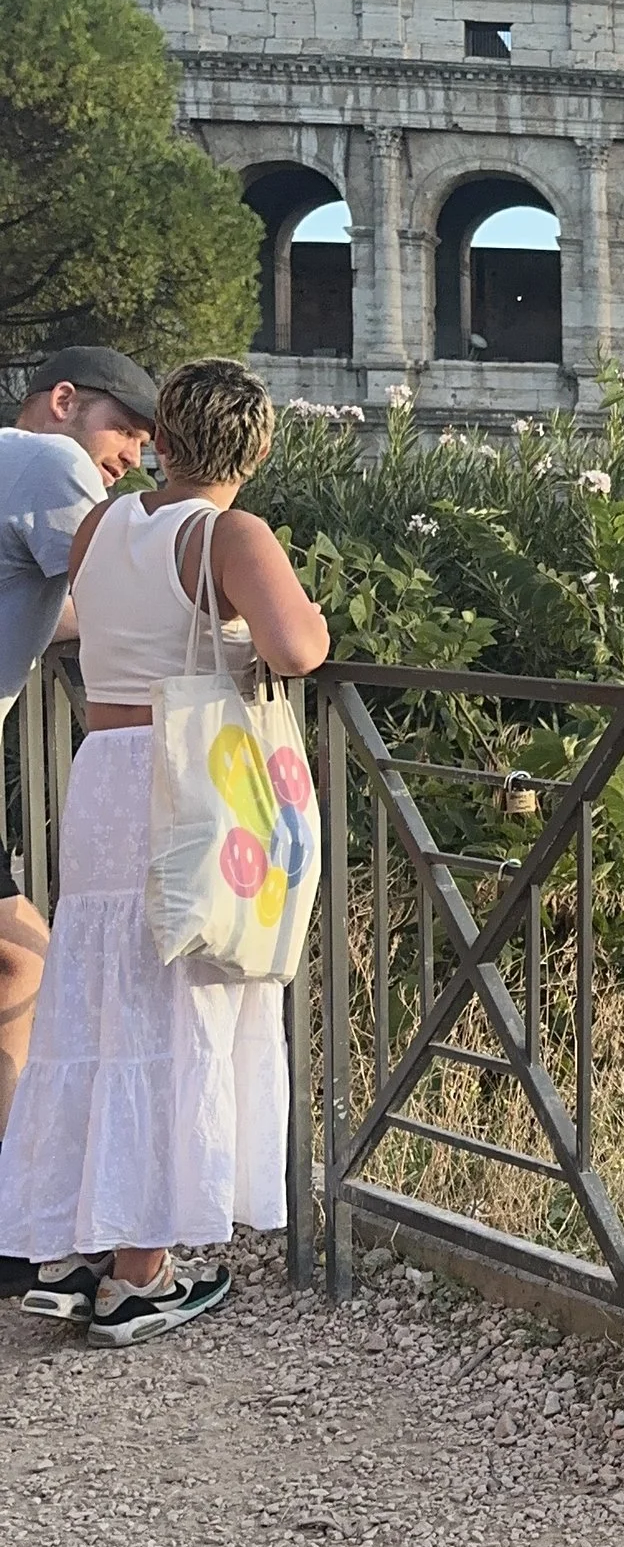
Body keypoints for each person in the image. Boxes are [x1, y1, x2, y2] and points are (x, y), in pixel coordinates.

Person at [1, 362, 328, 1345]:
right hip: (183, 777)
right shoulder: (231, 533)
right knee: (172, 1001)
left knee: (95, 998)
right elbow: (297, 647)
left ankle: (75, 1248)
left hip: (102, 768)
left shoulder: (106, 524)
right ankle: (139, 1276)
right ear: (256, 449)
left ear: (170, 437)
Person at [0, 348, 158, 1172]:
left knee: (16, 956)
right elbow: (117, 601)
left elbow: (60, 611)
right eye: (124, 430)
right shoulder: (55, 463)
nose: (133, 457)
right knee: (28, 957)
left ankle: (12, 1192)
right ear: (63, 400)